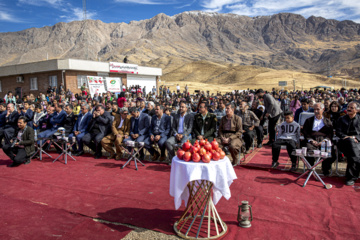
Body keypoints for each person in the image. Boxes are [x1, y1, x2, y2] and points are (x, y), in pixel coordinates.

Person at [302, 103, 334, 176]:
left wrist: (324, 141)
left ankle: (325, 168)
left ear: (323, 110)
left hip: (324, 140)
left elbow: (330, 134)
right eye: (314, 109)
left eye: (318, 109)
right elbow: (305, 132)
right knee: (308, 149)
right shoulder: (309, 121)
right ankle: (311, 168)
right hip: (312, 139)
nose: (316, 111)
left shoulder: (328, 121)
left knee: (330, 152)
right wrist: (311, 140)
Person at [336, 102, 360, 186]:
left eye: (352, 108)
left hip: (357, 143)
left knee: (352, 155)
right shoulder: (341, 119)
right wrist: (347, 137)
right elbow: (338, 132)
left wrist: (355, 138)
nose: (349, 109)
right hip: (344, 142)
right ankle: (352, 176)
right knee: (351, 145)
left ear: (357, 110)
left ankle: (351, 177)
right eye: (348, 107)